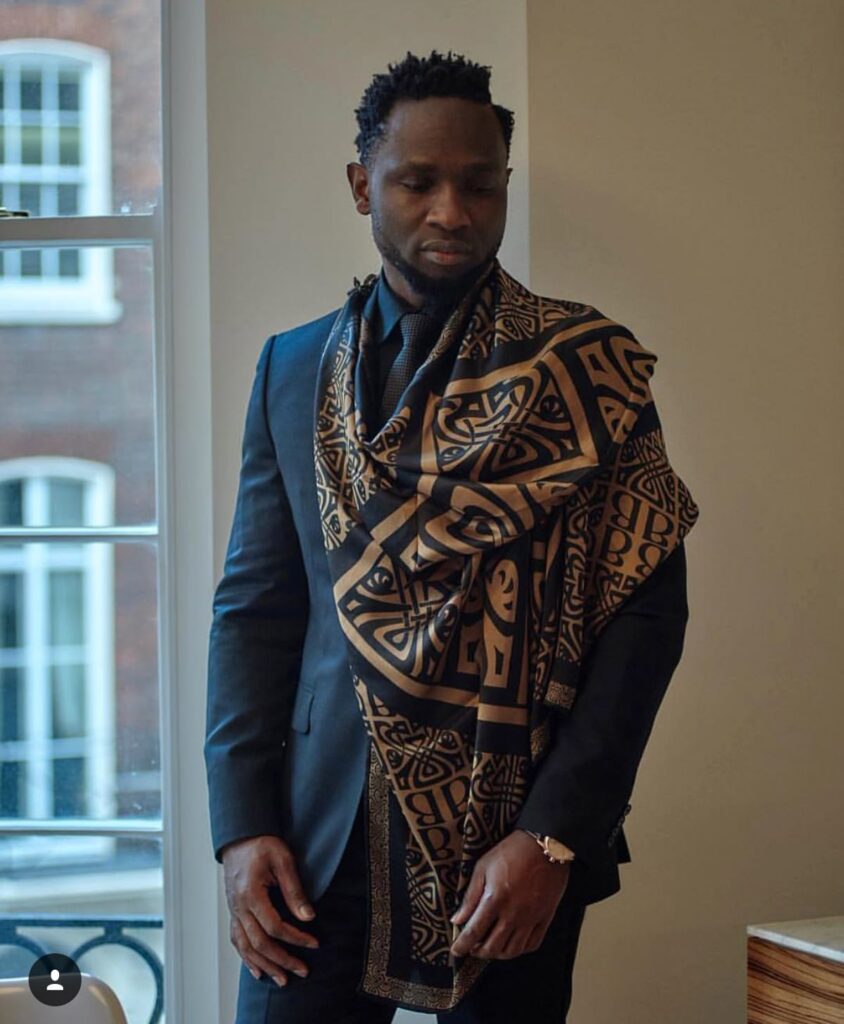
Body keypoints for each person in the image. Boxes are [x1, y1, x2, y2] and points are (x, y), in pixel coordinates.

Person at [205, 50, 699, 1024]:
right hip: (316, 838)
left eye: (479, 185)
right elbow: (256, 609)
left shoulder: (585, 374)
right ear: (362, 187)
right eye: (417, 182)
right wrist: (242, 825)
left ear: (504, 186)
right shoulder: (292, 370)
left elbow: (646, 622)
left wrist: (554, 835)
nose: (451, 211)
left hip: (509, 833)